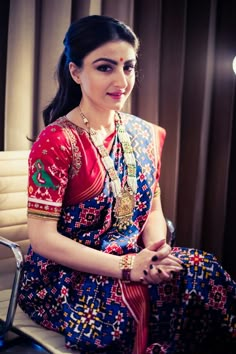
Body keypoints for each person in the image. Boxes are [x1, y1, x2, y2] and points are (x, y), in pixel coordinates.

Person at [18, 15, 236, 354]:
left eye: (129, 67)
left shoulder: (144, 133)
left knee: (205, 274)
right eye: (105, 67)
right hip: (67, 278)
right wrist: (126, 267)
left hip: (135, 260)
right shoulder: (56, 141)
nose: (122, 80)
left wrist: (155, 255)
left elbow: (151, 209)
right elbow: (43, 239)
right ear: (76, 72)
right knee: (133, 307)